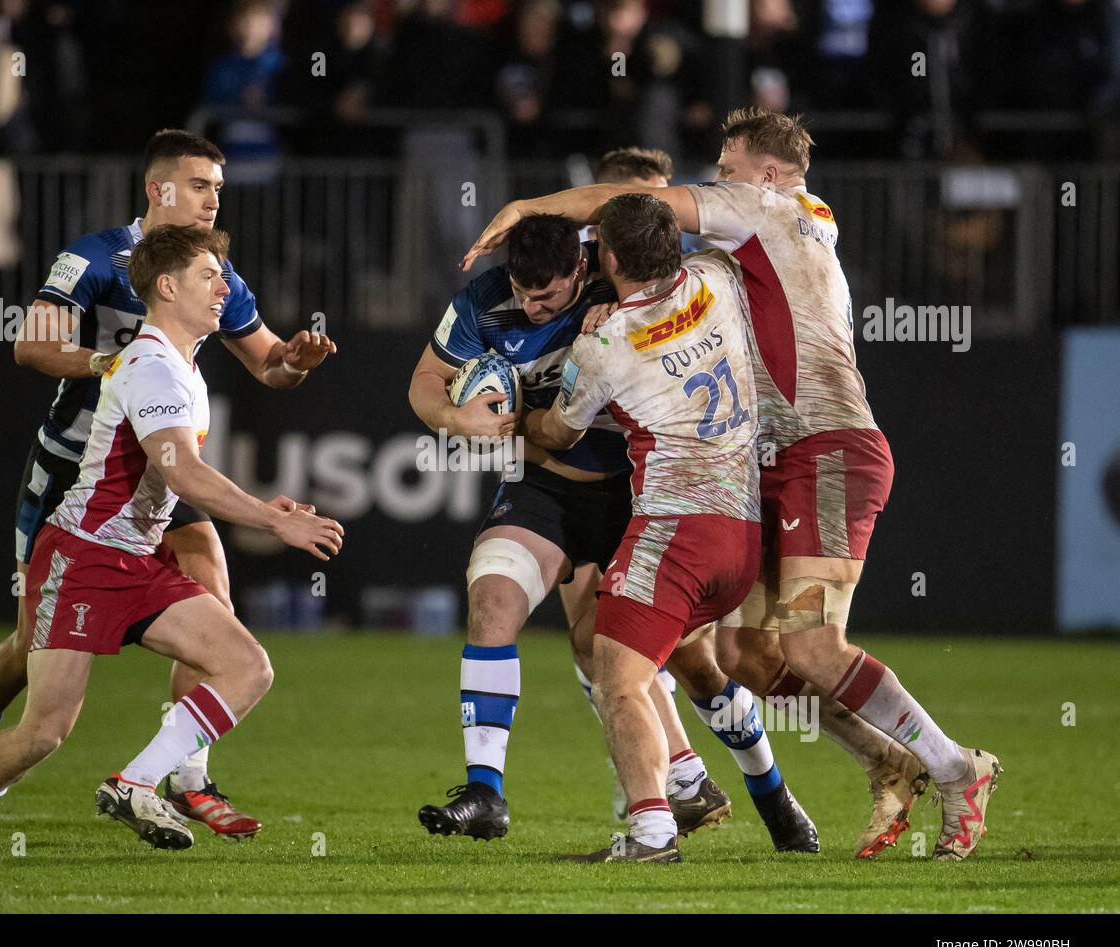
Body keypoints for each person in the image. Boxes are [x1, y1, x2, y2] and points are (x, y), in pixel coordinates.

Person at [465, 108, 1002, 861]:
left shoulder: (764, 210)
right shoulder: (757, 251)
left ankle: (953, 767)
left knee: (812, 648)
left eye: (726, 166)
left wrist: (528, 207)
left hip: (825, 453)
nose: (714, 181)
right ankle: (884, 758)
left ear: (772, 175)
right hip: (776, 464)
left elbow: (632, 208)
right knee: (751, 655)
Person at [0, 129, 336, 843]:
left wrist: (295, 363)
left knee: (216, 594)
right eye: (201, 185)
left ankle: (180, 775)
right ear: (159, 190)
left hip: (159, 465)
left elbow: (268, 364)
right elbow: (30, 346)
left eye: (219, 186)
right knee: (32, 651)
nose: (215, 198)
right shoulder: (94, 258)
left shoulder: (215, 274)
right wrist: (116, 365)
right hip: (79, 473)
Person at [409, 214, 734, 842]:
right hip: (543, 490)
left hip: (633, 495)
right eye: (524, 293)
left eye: (548, 296)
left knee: (649, 653)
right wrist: (454, 418)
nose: (532, 307)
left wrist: (613, 304)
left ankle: (741, 786)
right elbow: (424, 383)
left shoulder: (626, 290)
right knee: (492, 596)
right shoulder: (484, 298)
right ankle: (485, 791)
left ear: (584, 268)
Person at [522, 194, 763, 862]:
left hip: (676, 532)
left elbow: (557, 431)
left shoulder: (605, 342)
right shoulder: (717, 278)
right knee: (637, 654)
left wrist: (515, 412)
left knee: (617, 675)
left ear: (611, 258)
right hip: (743, 534)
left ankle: (654, 832)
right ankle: (701, 781)